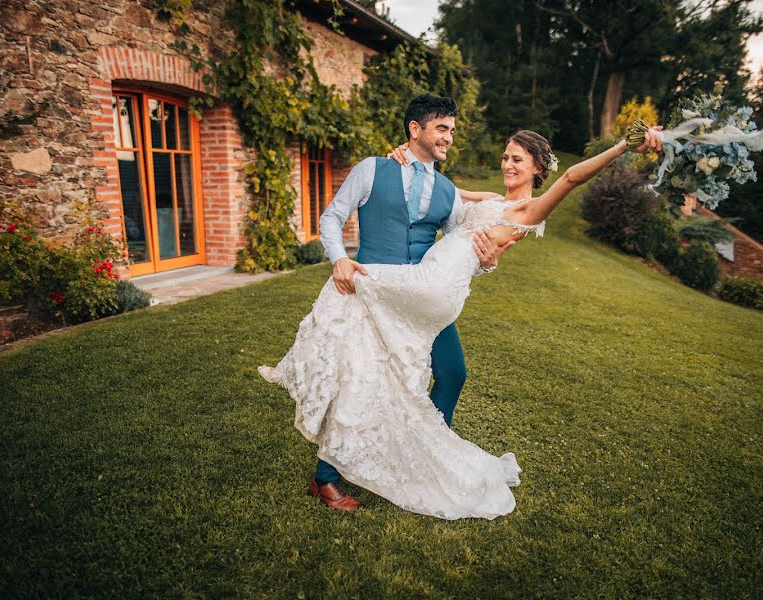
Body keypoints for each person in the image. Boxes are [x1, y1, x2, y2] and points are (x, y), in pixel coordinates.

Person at [260, 105, 663, 519]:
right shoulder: (479, 197)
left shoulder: (532, 209)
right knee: (380, 371)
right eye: (506, 156)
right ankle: (334, 471)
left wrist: (620, 147)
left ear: (538, 168)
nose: (507, 163)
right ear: (417, 129)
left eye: (517, 159)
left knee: (449, 372)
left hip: (430, 290)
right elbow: (444, 196)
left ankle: (422, 453)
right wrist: (404, 157)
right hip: (422, 285)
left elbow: (572, 178)